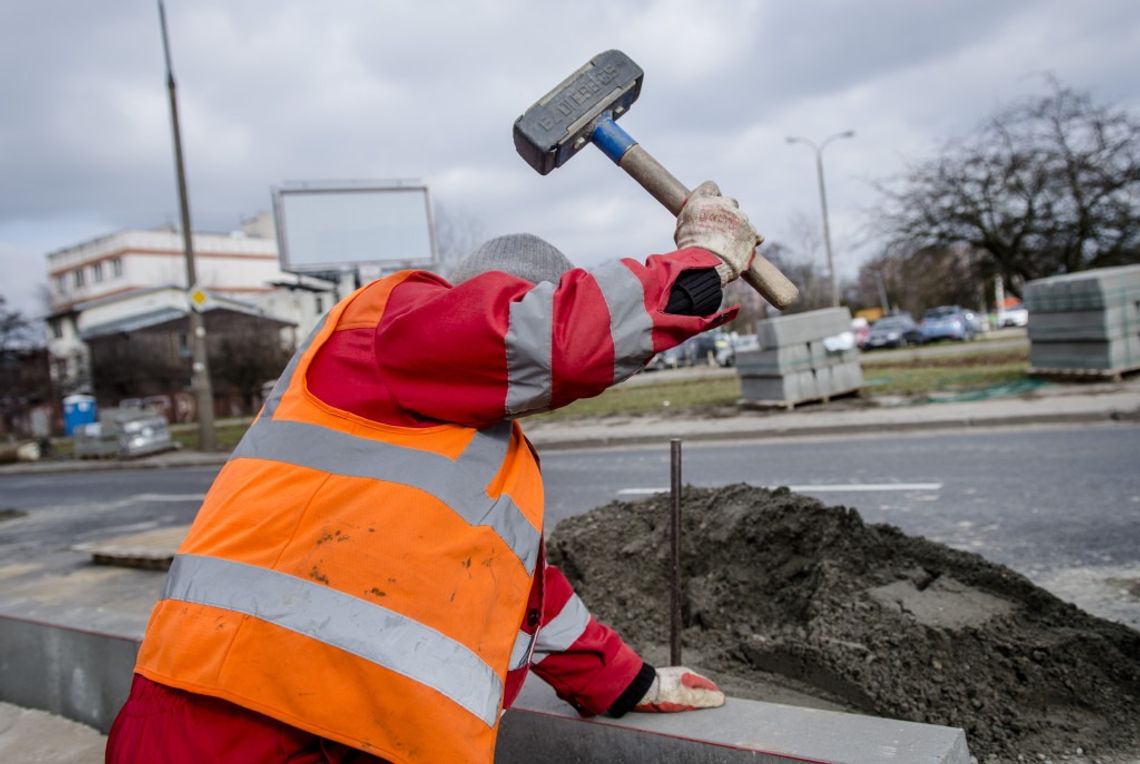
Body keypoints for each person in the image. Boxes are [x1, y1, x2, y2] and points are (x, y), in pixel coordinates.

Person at [105, 181, 761, 763]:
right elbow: (556, 339)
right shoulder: (389, 327)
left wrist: (634, 685)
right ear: (478, 303)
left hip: (342, 731)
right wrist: (706, 261)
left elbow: (527, 600)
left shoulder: (481, 451)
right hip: (236, 718)